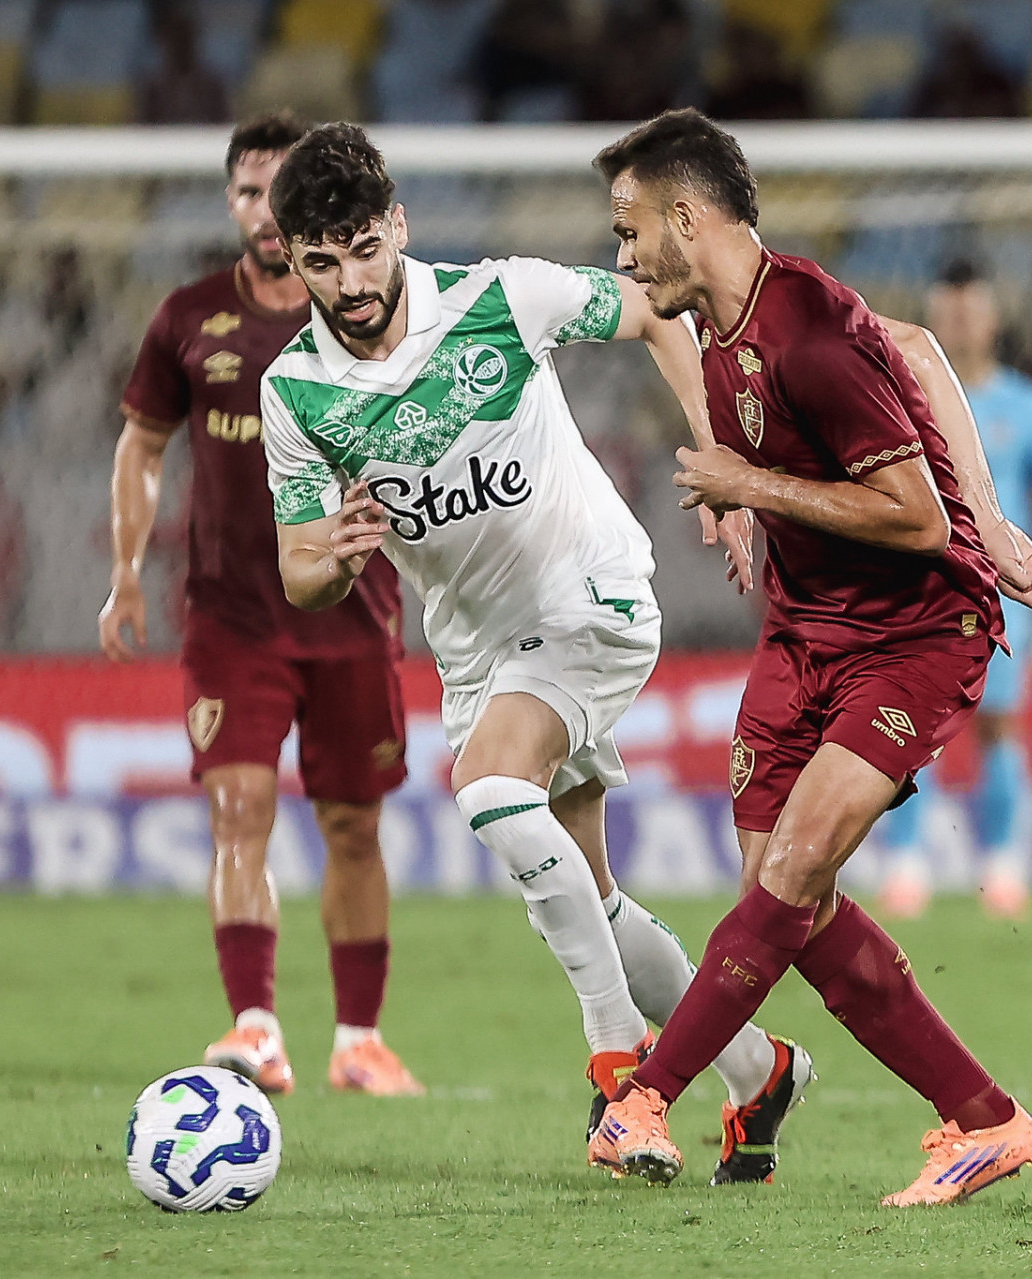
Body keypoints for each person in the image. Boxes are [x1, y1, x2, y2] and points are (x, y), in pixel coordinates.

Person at [259, 122, 811, 1182]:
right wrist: (331, 554)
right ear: (292, 259)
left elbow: (658, 311)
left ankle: (624, 1076)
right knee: (590, 894)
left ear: (398, 227)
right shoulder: (295, 393)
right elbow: (298, 572)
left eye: (365, 248)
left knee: (487, 785)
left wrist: (720, 461)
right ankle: (757, 1067)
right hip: (477, 650)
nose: (352, 280)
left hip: (588, 593)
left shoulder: (500, 298)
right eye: (321, 261)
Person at [586, 109, 1032, 1205]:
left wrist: (755, 488)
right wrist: (755, 498)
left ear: (684, 217)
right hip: (805, 629)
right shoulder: (721, 320)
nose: (620, 254)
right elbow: (913, 346)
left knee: (797, 870)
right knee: (784, 896)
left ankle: (646, 1095)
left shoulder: (806, 325)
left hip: (914, 636)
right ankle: (984, 1118)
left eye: (629, 229)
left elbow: (916, 520)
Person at [100, 114, 423, 1099]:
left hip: (355, 614)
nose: (265, 209)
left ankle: (359, 1040)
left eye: (279, 188)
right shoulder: (190, 316)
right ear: (234, 203)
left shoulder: (366, 311)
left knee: (353, 827)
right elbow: (143, 445)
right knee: (238, 810)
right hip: (232, 619)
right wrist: (123, 572)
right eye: (247, 190)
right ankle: (256, 1029)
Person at [878, 259, 1032, 922]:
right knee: (911, 727)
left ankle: (1001, 865)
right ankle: (907, 864)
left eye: (973, 308)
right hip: (917, 583)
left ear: (994, 316)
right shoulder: (899, 395)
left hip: (999, 591)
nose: (963, 321)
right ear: (932, 317)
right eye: (951, 308)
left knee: (999, 726)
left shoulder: (1031, 406)